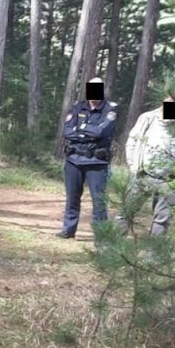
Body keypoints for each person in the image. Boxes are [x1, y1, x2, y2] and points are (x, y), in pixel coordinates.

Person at [56, 77, 118, 239]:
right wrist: (88, 131)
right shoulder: (78, 107)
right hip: (74, 160)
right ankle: (68, 230)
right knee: (72, 197)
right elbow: (67, 132)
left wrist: (80, 129)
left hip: (96, 163)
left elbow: (101, 132)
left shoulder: (110, 109)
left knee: (99, 201)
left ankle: (101, 234)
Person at [124, 96, 175, 236]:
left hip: (170, 181)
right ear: (162, 106)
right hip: (142, 175)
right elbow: (132, 141)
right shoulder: (147, 118)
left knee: (162, 219)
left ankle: (153, 256)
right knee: (125, 212)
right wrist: (132, 166)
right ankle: (111, 249)